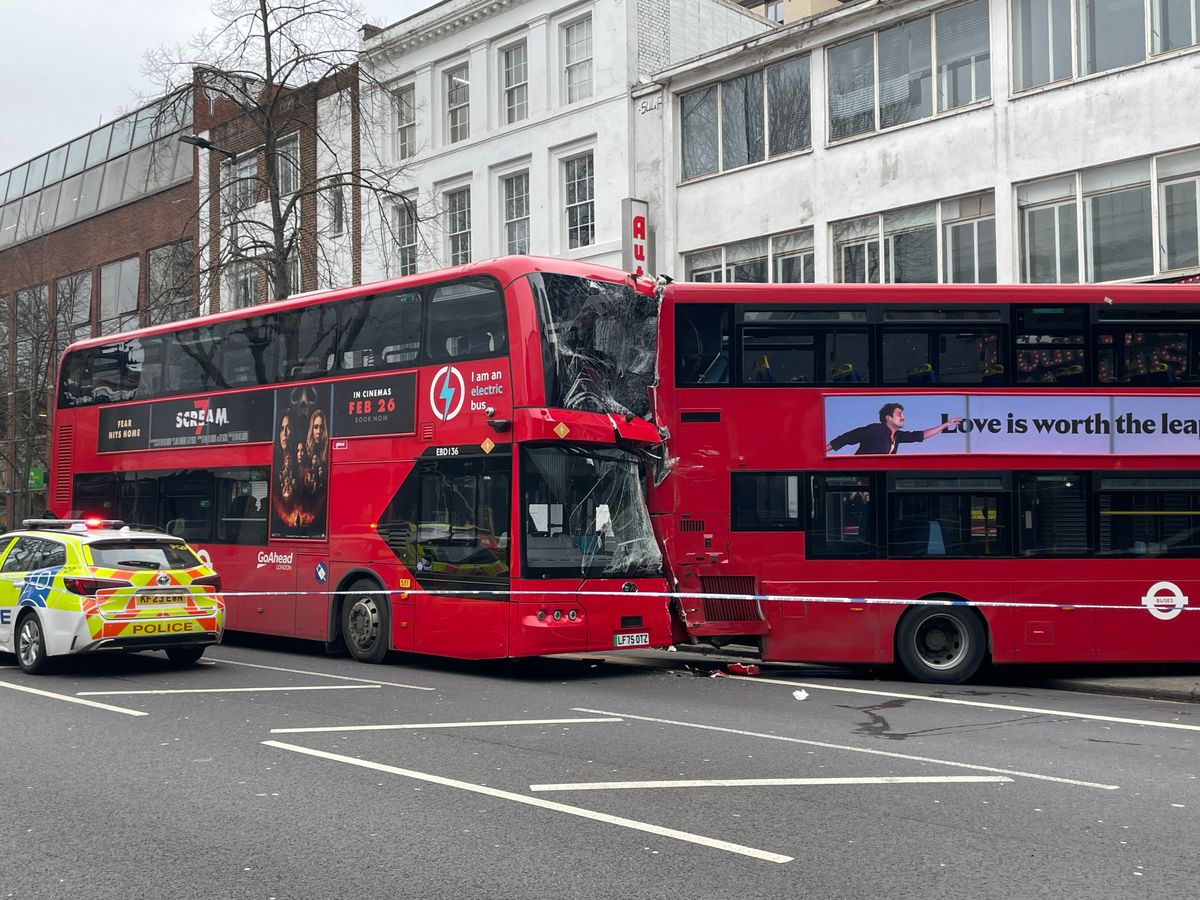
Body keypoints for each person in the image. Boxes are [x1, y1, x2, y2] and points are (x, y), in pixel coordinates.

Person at [826, 402, 963, 455]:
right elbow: (846, 438)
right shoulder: (874, 429)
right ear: (888, 418)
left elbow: (920, 436)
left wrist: (945, 425)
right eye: (899, 414)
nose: (903, 417)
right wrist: (819, 451)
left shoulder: (898, 436)